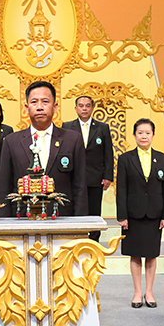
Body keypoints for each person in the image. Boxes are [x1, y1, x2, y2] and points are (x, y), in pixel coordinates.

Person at [0, 81, 87, 217]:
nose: (39, 107)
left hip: (62, 218)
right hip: (22, 219)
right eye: (34, 102)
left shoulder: (73, 139)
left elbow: (80, 186)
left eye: (45, 102)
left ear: (55, 107)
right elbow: (4, 187)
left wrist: (80, 224)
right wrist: (4, 226)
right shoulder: (11, 141)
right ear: (26, 108)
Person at [116, 118, 164, 308]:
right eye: (140, 132)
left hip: (155, 214)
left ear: (153, 135)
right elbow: (121, 189)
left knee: (151, 255)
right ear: (134, 135)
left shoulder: (163, 159)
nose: (144, 136)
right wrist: (122, 216)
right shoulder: (125, 159)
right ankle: (137, 292)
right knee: (134, 254)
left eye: (148, 132)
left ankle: (149, 291)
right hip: (133, 215)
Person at [62, 95, 114, 241]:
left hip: (95, 177)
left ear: (92, 108)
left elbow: (108, 153)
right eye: (81, 105)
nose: (84, 108)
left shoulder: (102, 128)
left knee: (94, 211)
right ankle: (74, 239)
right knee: (74, 208)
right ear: (75, 108)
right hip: (73, 177)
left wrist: (108, 176)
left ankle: (94, 241)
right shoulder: (67, 127)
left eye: (87, 105)